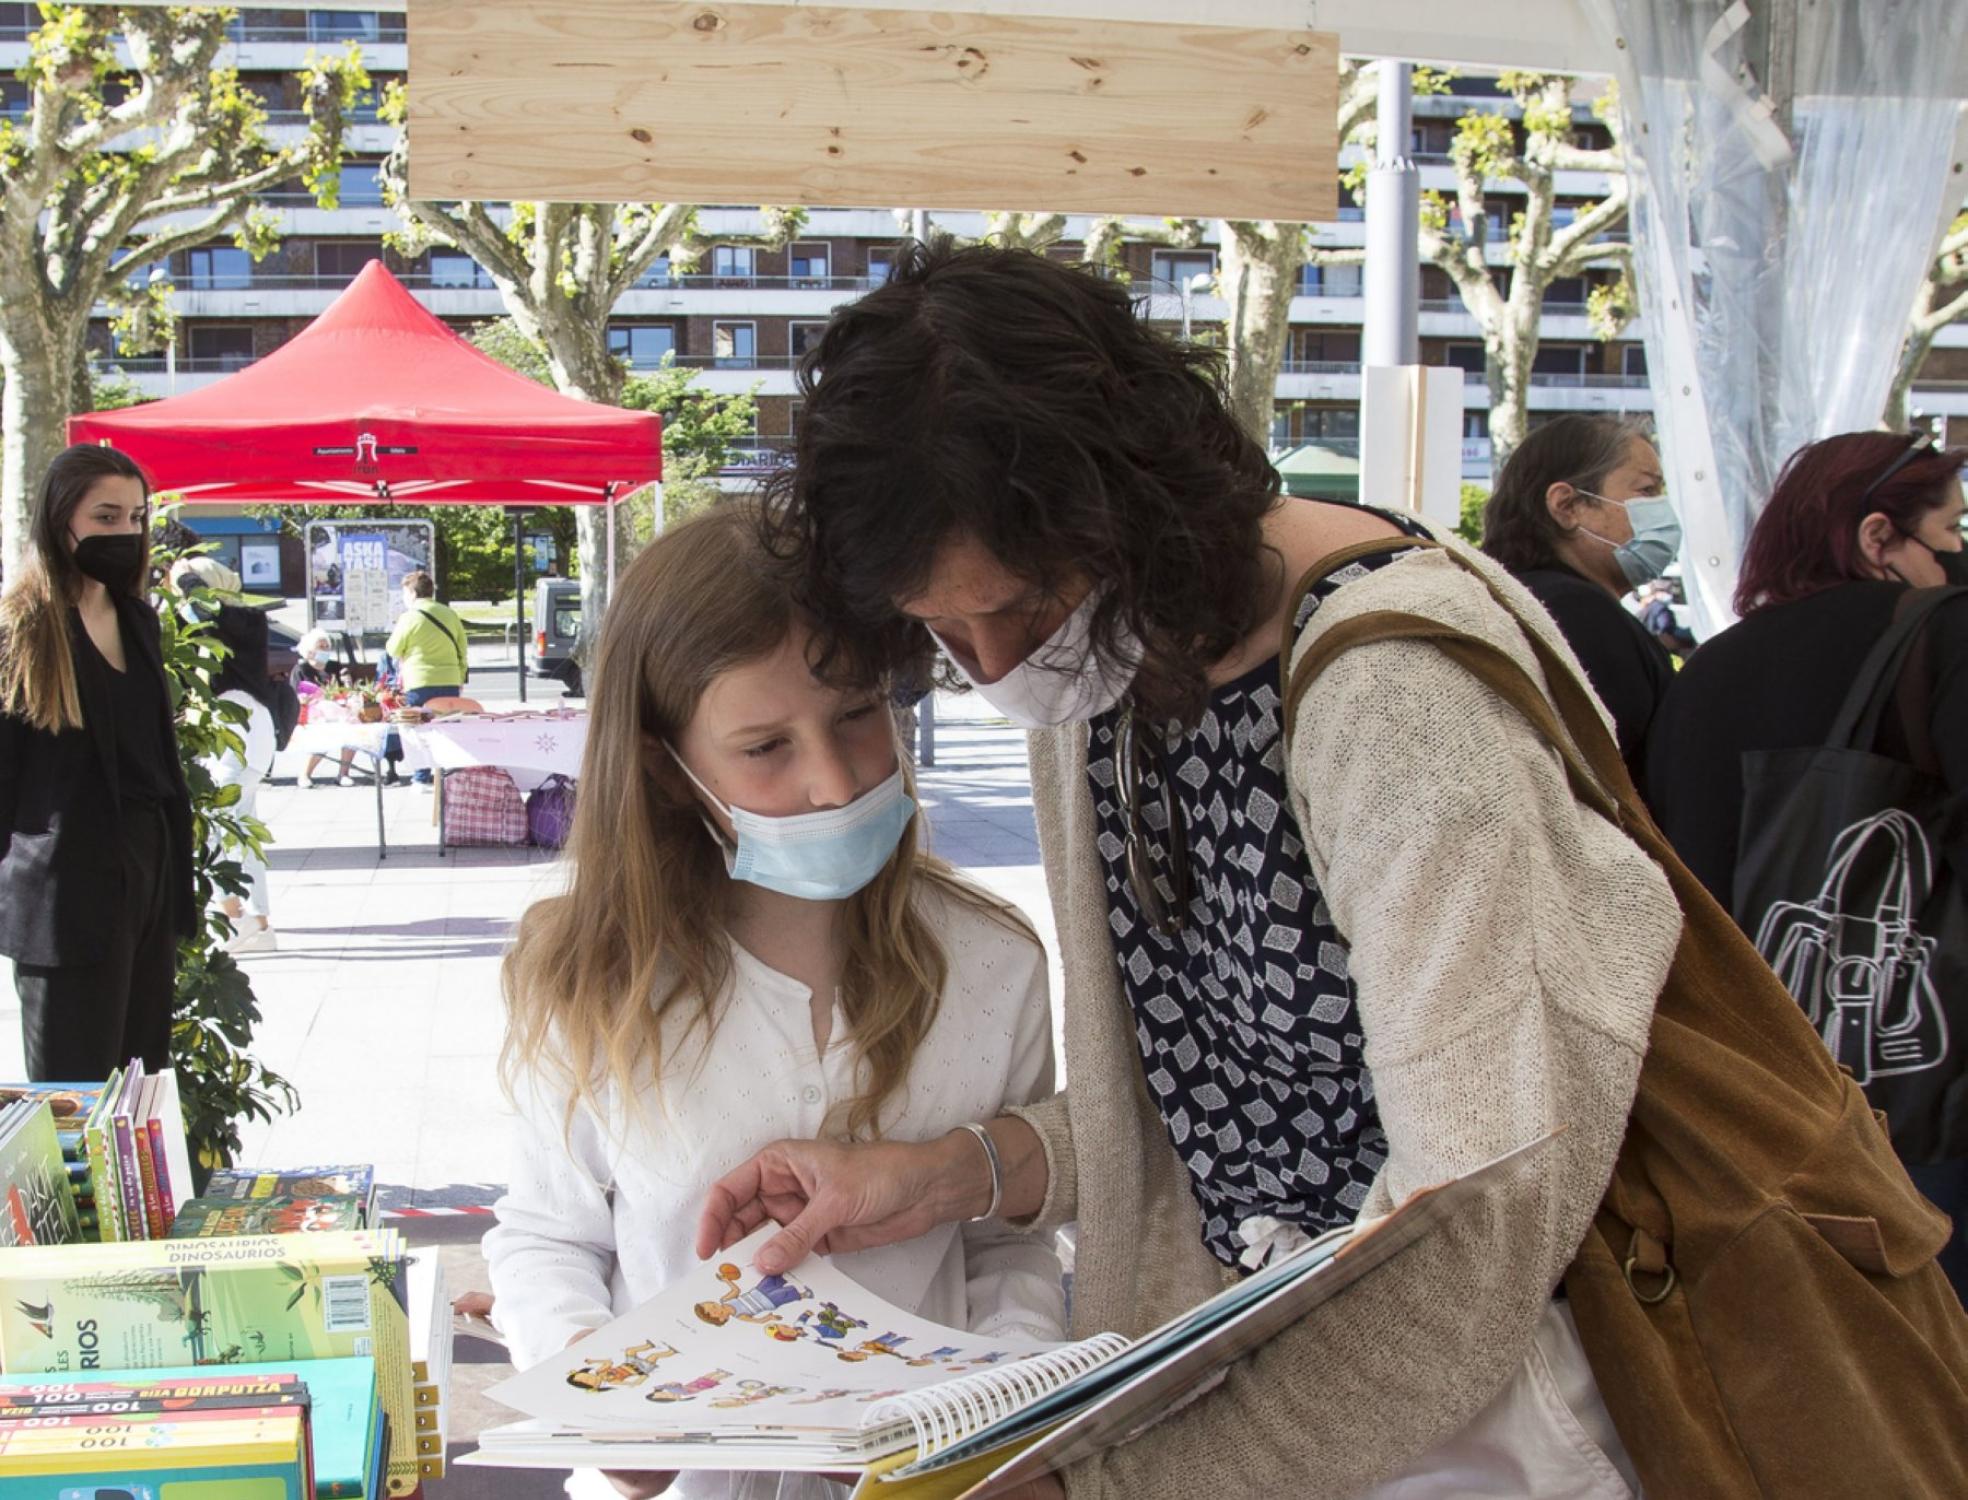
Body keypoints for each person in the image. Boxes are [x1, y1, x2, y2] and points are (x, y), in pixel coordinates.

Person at [700, 242, 1682, 1499]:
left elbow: (1475, 1219)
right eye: (942, 631)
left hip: (1487, 1420)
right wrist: (937, 1177)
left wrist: (1115, 1482)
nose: (996, 661)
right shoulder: (1111, 672)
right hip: (1250, 1398)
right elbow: (1206, 1121)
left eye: (1024, 602)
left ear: (1139, 509)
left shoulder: (1396, 702)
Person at [482, 499, 1066, 1500]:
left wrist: (1002, 1401)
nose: (836, 784)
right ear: (669, 772)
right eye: (765, 749)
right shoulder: (589, 977)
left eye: (857, 716)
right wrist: (594, 1396)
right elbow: (548, 1233)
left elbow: (1004, 1237)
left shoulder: (993, 962)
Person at [1645, 428, 1968, 1297]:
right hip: (1926, 1105)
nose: (1958, 556)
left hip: (1749, 1100)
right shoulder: (1944, 638)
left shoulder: (1707, 669)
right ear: (1877, 538)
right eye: (1951, 530)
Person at [0, 443, 195, 1079]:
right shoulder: (23, 628)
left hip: (146, 872)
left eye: (137, 518)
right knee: (73, 1093)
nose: (127, 533)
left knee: (140, 1084)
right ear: (63, 523)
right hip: (65, 890)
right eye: (106, 517)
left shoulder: (137, 618)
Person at [1479, 414, 1679, 776]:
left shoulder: (1524, 596)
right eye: (1648, 490)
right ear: (1567, 506)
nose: (1661, 509)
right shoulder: (1576, 614)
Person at [200, 601, 281, 955]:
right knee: (243, 833)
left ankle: (237, 915)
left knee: (215, 832)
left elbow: (199, 606)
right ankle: (258, 922)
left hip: (236, 749)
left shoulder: (230, 689)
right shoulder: (251, 628)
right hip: (252, 748)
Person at [383, 570, 468, 787]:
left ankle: (421, 777)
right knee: (446, 726)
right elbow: (462, 648)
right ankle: (448, 774)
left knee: (417, 728)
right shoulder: (449, 614)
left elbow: (393, 649)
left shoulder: (409, 617)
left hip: (419, 680)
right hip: (449, 679)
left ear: (412, 592)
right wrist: (460, 676)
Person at [294, 627, 358, 788]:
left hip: (338, 713)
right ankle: (305, 774)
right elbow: (296, 694)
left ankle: (343, 773)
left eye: (326, 646)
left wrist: (348, 683)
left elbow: (347, 691)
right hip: (312, 716)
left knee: (352, 729)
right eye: (320, 647)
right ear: (310, 650)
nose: (324, 650)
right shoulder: (301, 669)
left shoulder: (335, 667)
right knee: (325, 734)